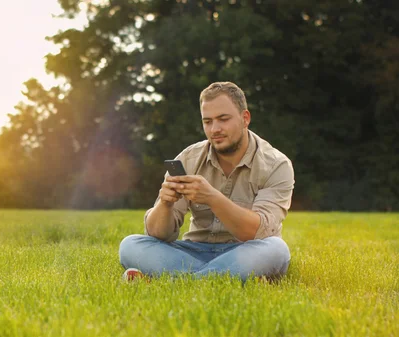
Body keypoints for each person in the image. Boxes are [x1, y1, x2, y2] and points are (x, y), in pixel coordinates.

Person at [119, 81, 294, 282]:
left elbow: (255, 232)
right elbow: (159, 235)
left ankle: (179, 280)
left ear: (245, 118)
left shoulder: (276, 165)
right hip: (192, 250)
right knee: (130, 245)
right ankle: (224, 277)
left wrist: (212, 198)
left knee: (276, 250)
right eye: (207, 121)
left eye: (223, 119)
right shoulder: (188, 159)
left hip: (246, 250)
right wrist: (165, 204)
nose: (214, 129)